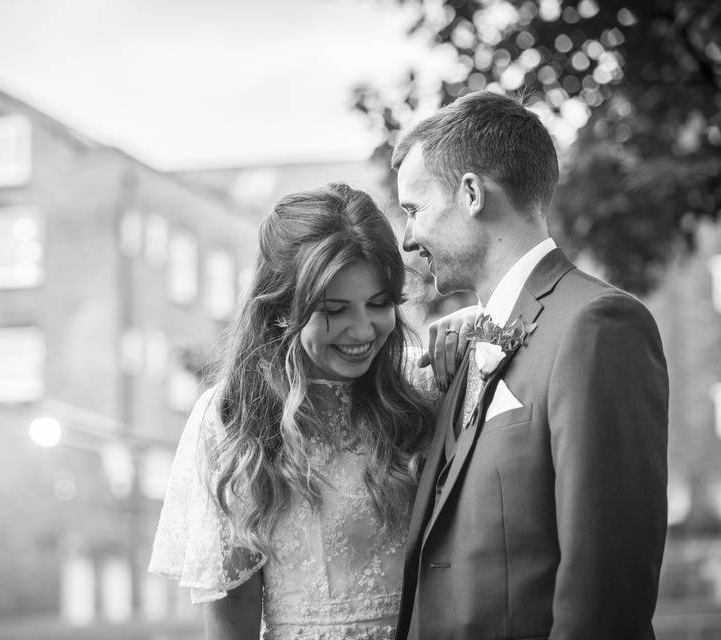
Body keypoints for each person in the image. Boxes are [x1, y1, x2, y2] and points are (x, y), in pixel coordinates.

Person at [392, 90, 669, 639]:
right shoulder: (466, 343)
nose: (407, 238)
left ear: (471, 193)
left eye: (413, 210)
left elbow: (606, 586)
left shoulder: (597, 326)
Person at [150, 183, 446, 639]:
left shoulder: (422, 389)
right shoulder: (234, 415)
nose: (362, 329)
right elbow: (233, 621)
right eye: (335, 309)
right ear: (283, 308)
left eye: (379, 303)